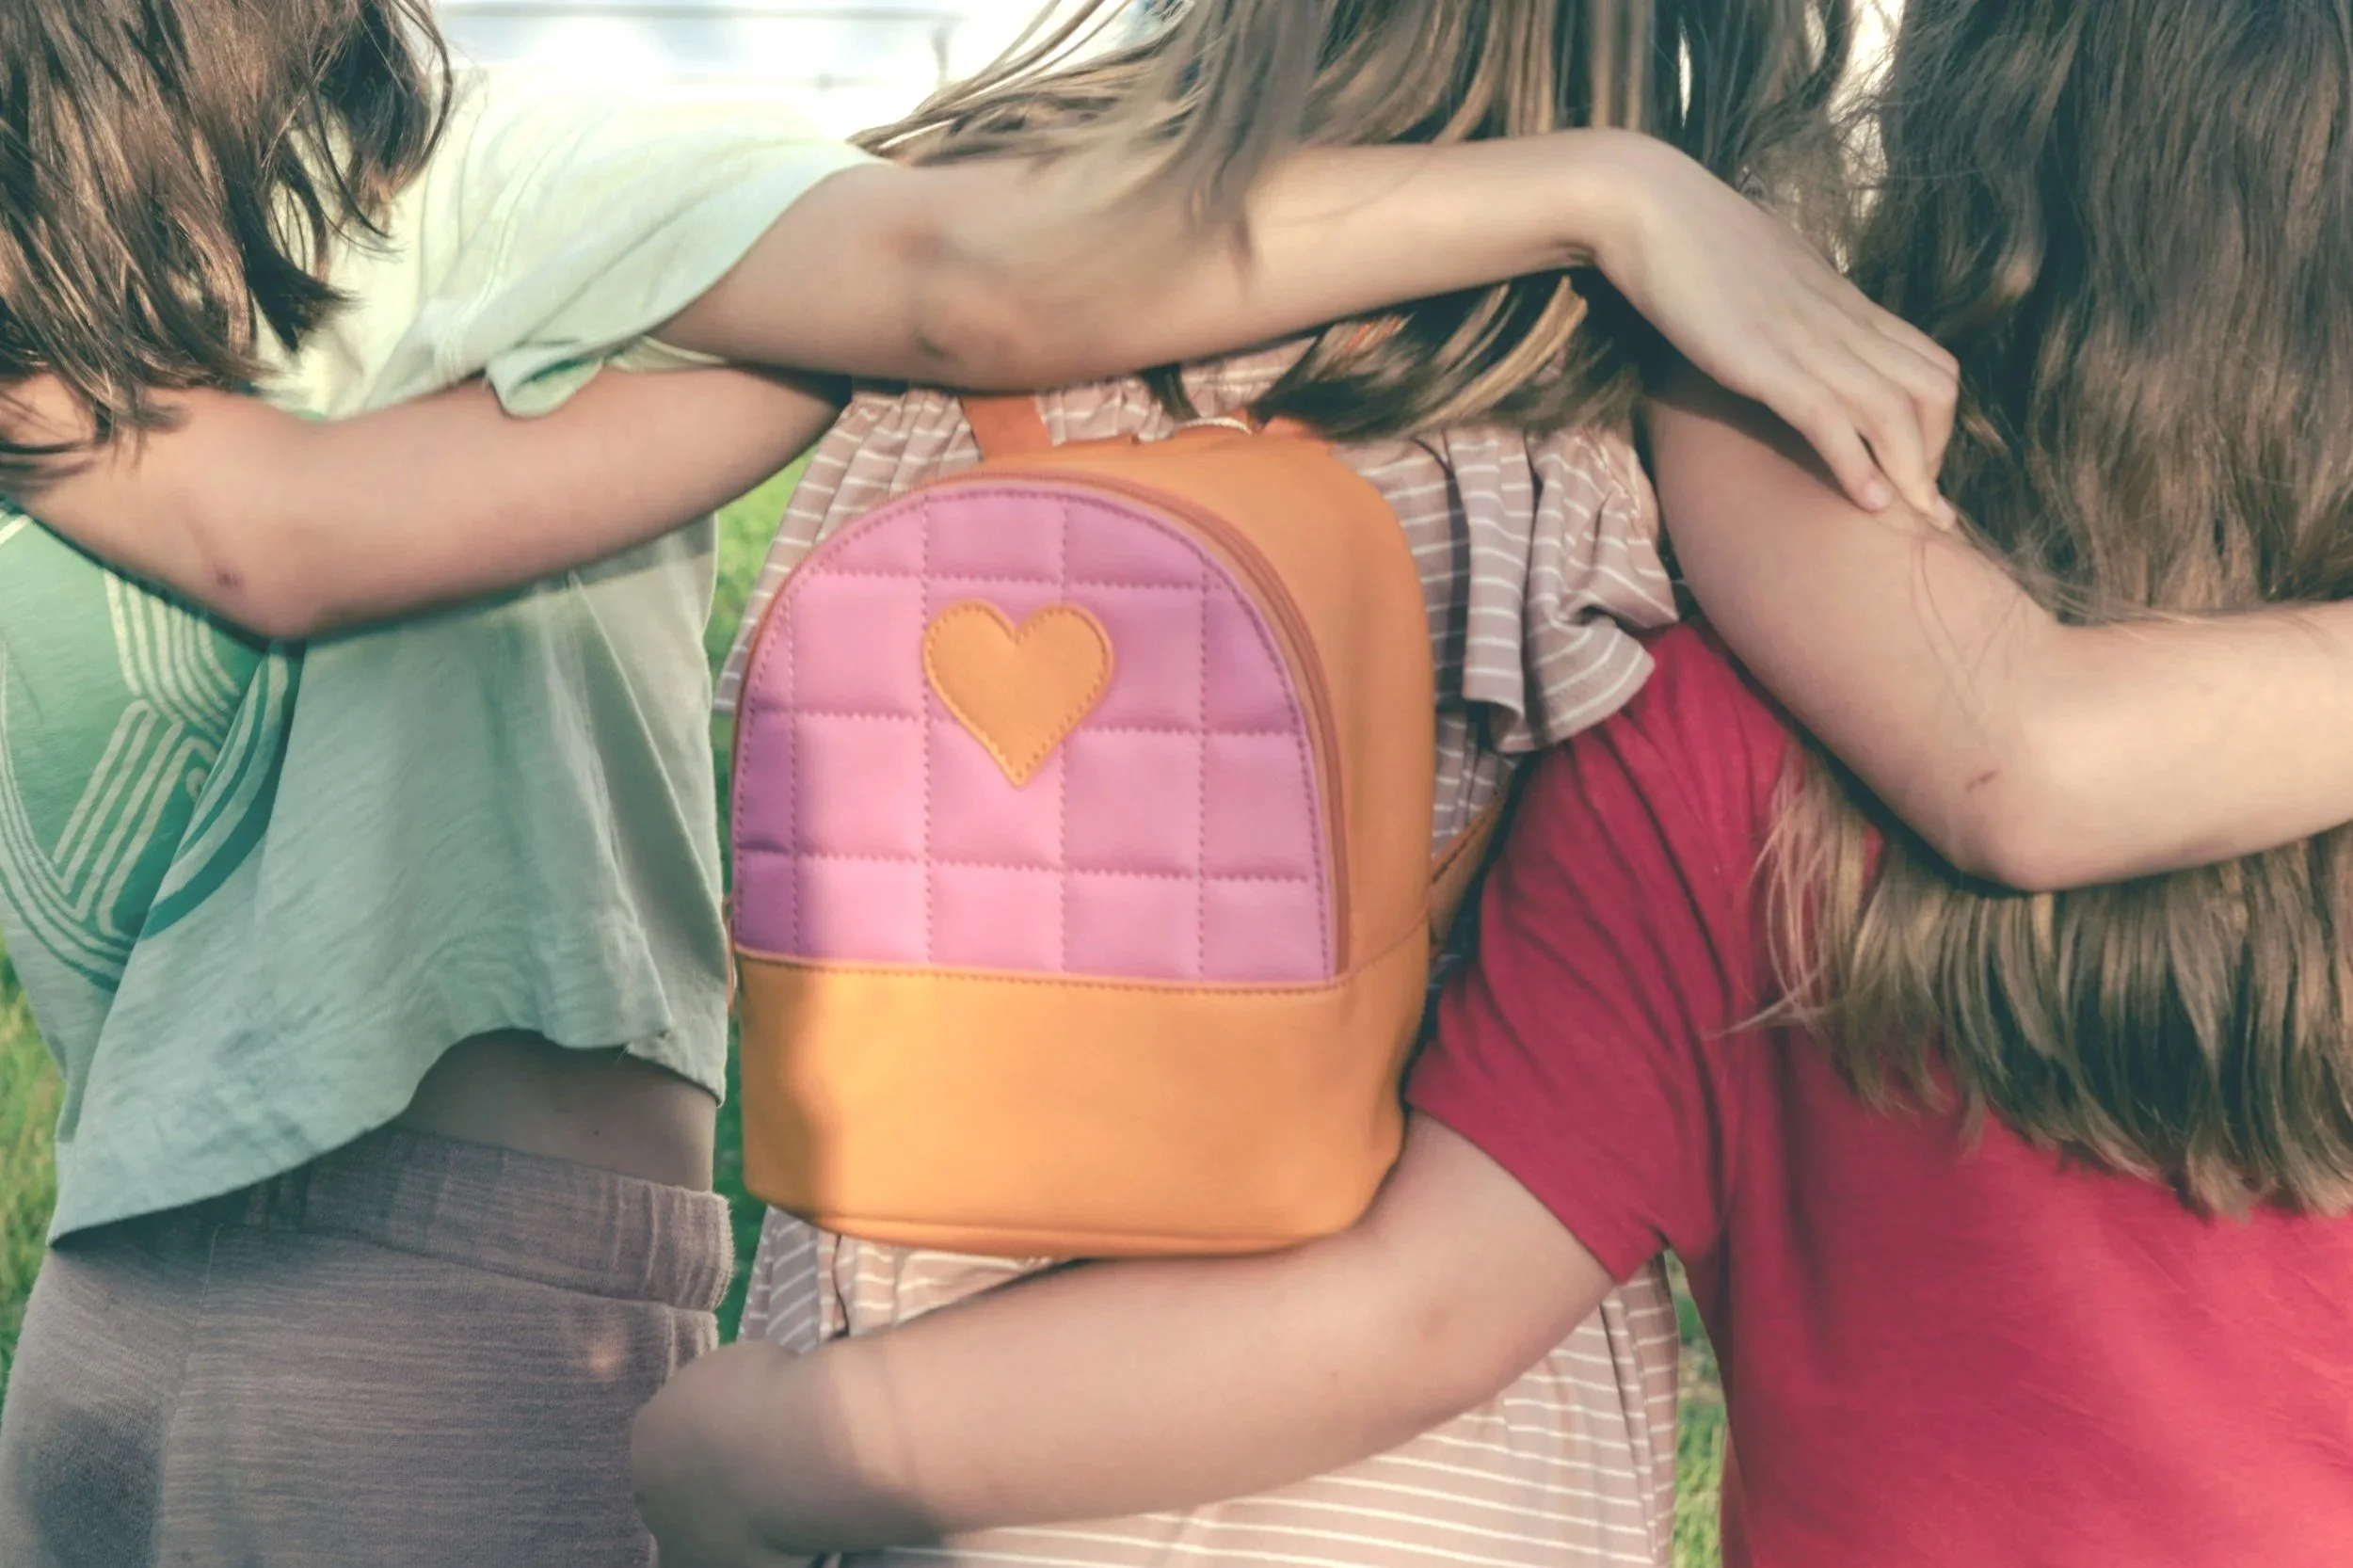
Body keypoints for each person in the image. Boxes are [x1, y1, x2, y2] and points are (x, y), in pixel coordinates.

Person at [0, 3, 1958, 1563]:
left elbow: (940, 302)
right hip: (1401, 1468)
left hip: (891, 1418)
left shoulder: (906, 360)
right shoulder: (1643, 436)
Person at [626, 3, 2353, 1566]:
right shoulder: (1650, 513)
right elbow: (2024, 751)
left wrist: (779, 1445)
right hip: (1432, 1507)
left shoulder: (1730, 741)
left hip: (964, 1412)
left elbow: (1425, 1300)